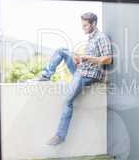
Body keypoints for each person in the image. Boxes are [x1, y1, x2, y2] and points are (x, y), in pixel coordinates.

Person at [35, 12, 113, 146]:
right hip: (82, 69)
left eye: (85, 25)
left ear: (94, 24)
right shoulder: (91, 38)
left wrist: (86, 58)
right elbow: (90, 59)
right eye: (82, 25)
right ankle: (46, 75)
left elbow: (108, 59)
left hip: (88, 75)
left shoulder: (101, 37)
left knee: (67, 101)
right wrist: (79, 60)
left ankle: (59, 136)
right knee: (62, 51)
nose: (83, 28)